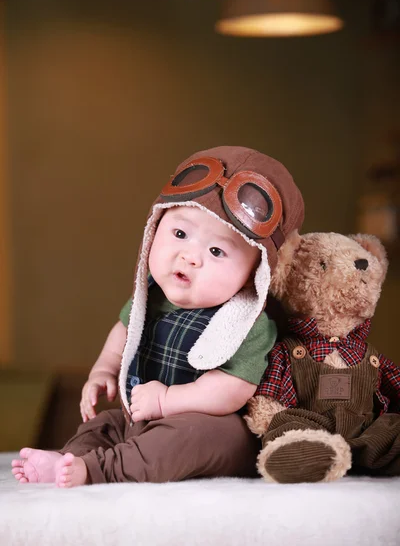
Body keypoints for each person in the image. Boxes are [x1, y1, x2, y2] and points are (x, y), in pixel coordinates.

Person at [11, 145, 304, 487]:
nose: (190, 257)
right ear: (154, 229)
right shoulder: (151, 297)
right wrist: (104, 370)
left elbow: (233, 390)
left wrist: (167, 401)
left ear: (256, 271)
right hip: (141, 415)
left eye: (217, 250)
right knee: (104, 426)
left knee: (189, 436)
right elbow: (123, 332)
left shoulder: (246, 321)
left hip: (212, 426)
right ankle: (72, 459)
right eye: (180, 234)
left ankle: (99, 469)